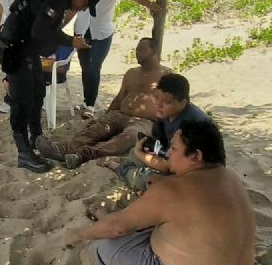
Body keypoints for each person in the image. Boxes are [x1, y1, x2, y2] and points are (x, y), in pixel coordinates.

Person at [64, 120, 255, 265]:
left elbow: (117, 228)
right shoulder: (231, 178)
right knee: (153, 219)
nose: (168, 153)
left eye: (173, 148)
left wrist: (78, 234)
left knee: (101, 248)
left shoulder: (172, 191)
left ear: (196, 156)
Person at [0, 0, 101, 172]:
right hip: (15, 48)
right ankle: (23, 153)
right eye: (85, 4)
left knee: (37, 92)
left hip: (26, 48)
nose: (81, 9)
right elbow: (40, 32)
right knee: (22, 100)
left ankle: (37, 139)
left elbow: (41, 32)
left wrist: (68, 41)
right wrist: (70, 41)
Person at [36, 37, 171, 169]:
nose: (137, 52)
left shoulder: (166, 76)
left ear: (154, 51)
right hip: (120, 114)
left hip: (144, 121)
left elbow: (172, 104)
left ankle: (83, 155)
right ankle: (62, 149)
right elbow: (119, 98)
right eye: (136, 49)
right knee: (96, 130)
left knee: (127, 138)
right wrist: (105, 117)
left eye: (141, 49)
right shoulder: (132, 73)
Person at [71, 0, 161, 119]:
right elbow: (72, 8)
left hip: (102, 34)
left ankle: (90, 105)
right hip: (82, 31)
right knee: (84, 67)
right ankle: (85, 100)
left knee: (94, 67)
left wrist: (149, 4)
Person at [104, 73, 210, 191]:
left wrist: (141, 154)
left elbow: (168, 166)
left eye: (167, 101)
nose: (159, 104)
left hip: (194, 176)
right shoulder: (166, 113)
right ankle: (129, 162)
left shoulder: (190, 125)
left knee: (146, 178)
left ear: (183, 102)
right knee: (135, 152)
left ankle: (122, 169)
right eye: (157, 97)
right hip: (175, 159)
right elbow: (160, 145)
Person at [0, 0, 33, 114]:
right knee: (9, 67)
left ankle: (13, 99)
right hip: (6, 35)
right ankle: (10, 98)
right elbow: (1, 9)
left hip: (22, 36)